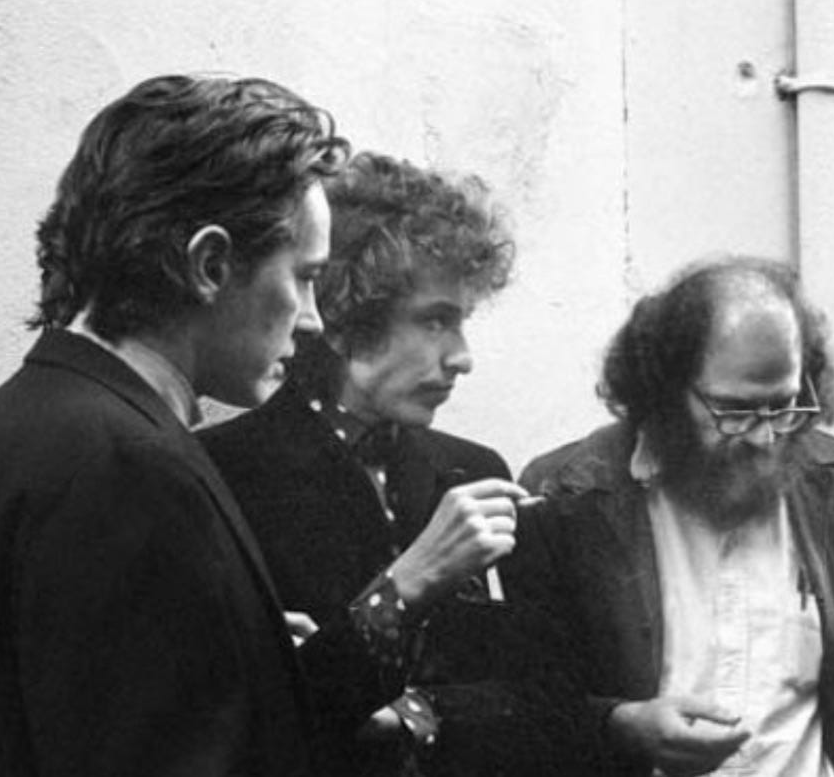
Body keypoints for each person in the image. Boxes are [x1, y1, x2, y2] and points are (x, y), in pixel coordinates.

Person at [0, 75, 524, 776]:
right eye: (303, 277)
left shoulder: (33, 419)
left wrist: (260, 666)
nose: (314, 318)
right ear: (209, 264)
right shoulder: (134, 466)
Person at [200, 151, 581, 776]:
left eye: (461, 322)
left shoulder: (473, 469)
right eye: (435, 321)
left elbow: (548, 702)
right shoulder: (223, 475)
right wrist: (408, 584)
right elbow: (255, 720)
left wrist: (408, 717)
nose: (462, 358)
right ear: (345, 317)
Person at [504, 256, 834, 776]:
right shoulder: (568, 499)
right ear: (664, 389)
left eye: (784, 405)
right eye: (736, 410)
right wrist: (622, 725)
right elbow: (530, 714)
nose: (765, 437)